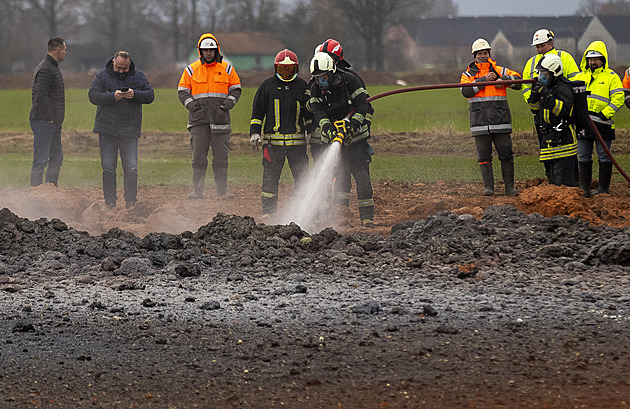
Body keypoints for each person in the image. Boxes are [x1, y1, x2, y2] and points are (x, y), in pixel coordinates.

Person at [308, 52, 375, 228]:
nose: (319, 82)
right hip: (332, 140)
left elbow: (363, 106)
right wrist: (329, 129)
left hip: (356, 142)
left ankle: (367, 218)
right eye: (316, 78)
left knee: (362, 179)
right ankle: (336, 215)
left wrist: (351, 125)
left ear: (331, 73)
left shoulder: (350, 82)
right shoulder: (315, 89)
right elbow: (319, 113)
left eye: (322, 77)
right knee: (334, 179)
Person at [178, 33, 242, 199]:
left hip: (220, 120)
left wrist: (226, 105)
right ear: (200, 51)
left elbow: (236, 89)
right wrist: (192, 106)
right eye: (205, 50)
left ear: (216, 50)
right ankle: (197, 191)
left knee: (221, 158)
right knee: (198, 157)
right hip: (198, 122)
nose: (208, 53)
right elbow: (182, 92)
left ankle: (222, 192)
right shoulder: (191, 70)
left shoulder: (227, 68)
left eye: (211, 50)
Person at [88, 51, 155, 209]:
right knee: (108, 167)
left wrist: (135, 95)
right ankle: (110, 203)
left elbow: (150, 95)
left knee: (131, 167)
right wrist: (113, 97)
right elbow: (93, 95)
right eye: (119, 67)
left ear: (129, 65)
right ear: (113, 62)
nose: (121, 71)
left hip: (130, 130)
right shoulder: (102, 76)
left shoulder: (138, 76)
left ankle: (131, 202)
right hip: (107, 129)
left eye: (125, 68)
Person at [249, 49, 311, 217]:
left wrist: (310, 131)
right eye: (283, 69)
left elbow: (308, 113)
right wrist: (255, 133)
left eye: (289, 69)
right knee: (270, 179)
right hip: (272, 145)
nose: (286, 72)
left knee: (303, 178)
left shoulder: (302, 87)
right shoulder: (267, 86)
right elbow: (257, 113)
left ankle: (304, 211)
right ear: (276, 69)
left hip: (297, 145)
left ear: (296, 69)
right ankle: (268, 213)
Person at [460, 38, 522, 196]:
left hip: (500, 122)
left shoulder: (500, 70)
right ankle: (489, 188)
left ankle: (509, 188)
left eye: (485, 53)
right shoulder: (467, 74)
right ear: (474, 56)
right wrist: (483, 80)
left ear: (489, 53)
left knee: (506, 154)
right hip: (480, 123)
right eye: (480, 53)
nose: (483, 56)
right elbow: (465, 91)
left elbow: (519, 81)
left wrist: (505, 80)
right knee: (483, 156)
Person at [522, 29, 580, 184]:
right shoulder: (532, 62)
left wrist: (551, 94)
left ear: (550, 43)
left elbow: (575, 83)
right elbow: (526, 86)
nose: (539, 49)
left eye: (542, 46)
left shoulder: (564, 57)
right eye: (537, 47)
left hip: (561, 114)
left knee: (566, 160)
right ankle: (553, 182)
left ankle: (572, 184)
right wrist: (533, 97)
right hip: (543, 115)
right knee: (548, 155)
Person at [574, 41, 624, 197]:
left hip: (603, 124)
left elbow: (618, 97)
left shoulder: (611, 77)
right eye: (590, 59)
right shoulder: (579, 77)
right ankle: (585, 189)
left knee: (604, 155)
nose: (592, 62)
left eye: (595, 59)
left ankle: (603, 189)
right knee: (583, 155)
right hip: (584, 124)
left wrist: (605, 113)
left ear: (603, 59)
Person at [29, 37, 67, 187]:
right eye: (64, 49)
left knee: (57, 158)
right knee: (41, 161)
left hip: (53, 122)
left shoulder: (53, 67)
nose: (65, 52)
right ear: (57, 50)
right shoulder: (46, 68)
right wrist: (49, 118)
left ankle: (50, 191)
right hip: (43, 121)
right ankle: (37, 194)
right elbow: (41, 95)